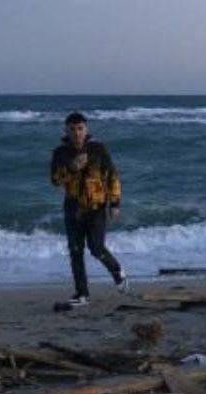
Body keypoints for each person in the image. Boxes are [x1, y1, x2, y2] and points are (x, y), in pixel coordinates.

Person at [50, 111, 127, 308]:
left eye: (80, 129)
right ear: (66, 130)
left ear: (87, 129)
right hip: (73, 207)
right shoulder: (60, 152)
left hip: (96, 206)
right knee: (75, 251)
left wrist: (115, 203)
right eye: (73, 129)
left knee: (96, 248)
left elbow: (112, 176)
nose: (77, 133)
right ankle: (82, 293)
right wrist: (72, 168)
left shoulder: (97, 149)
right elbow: (55, 180)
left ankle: (117, 271)